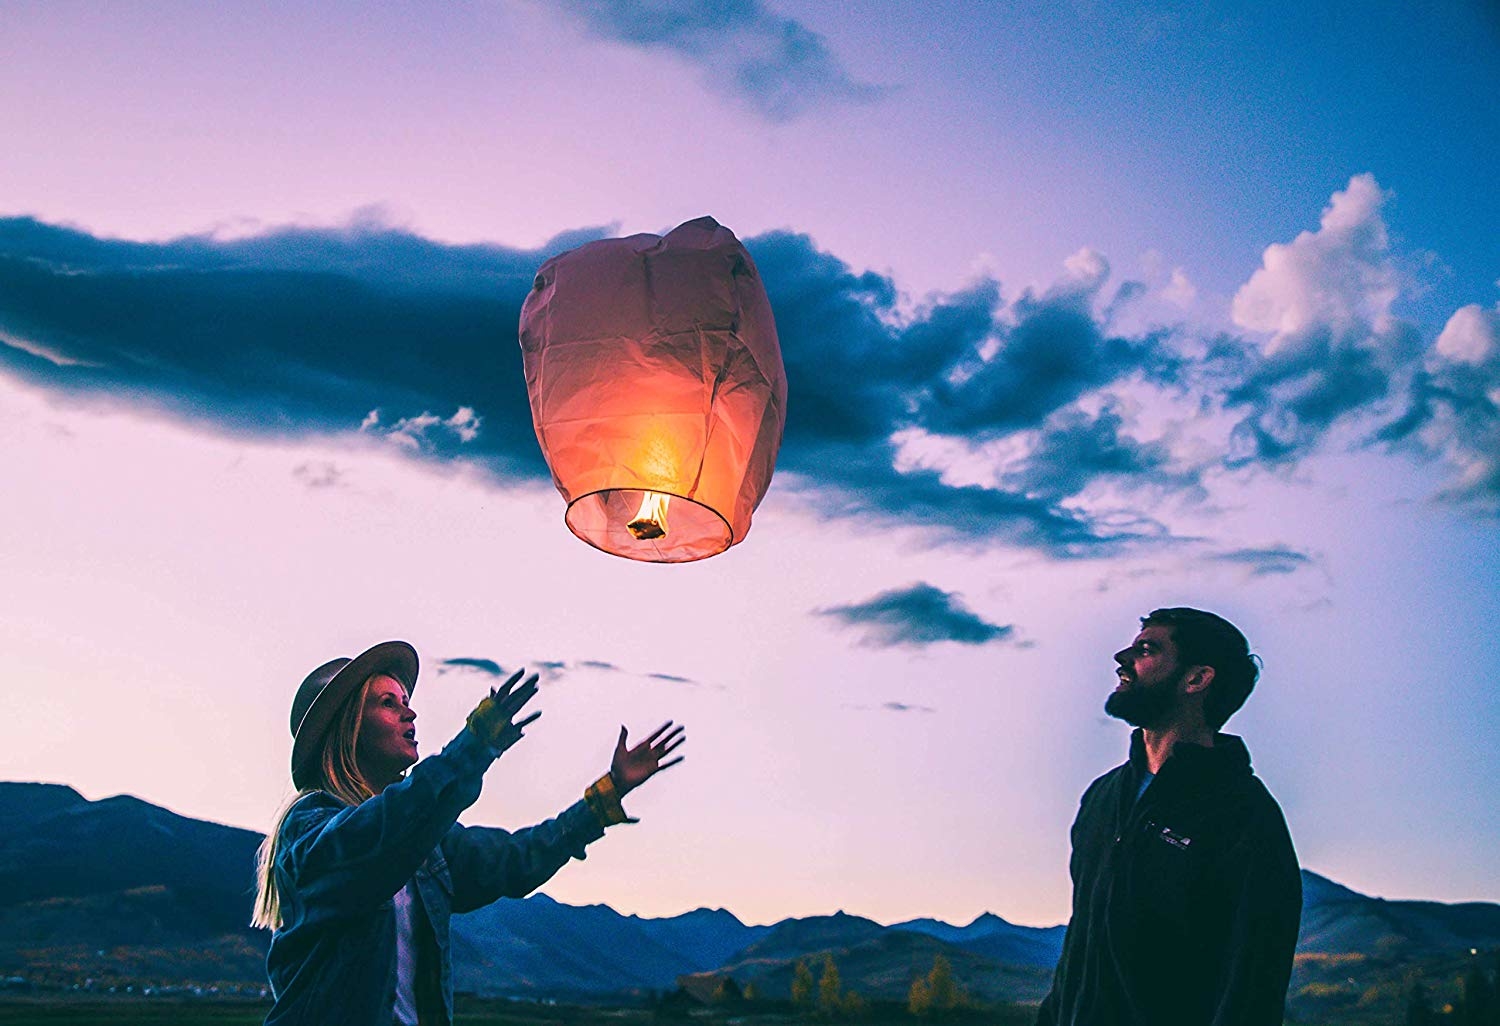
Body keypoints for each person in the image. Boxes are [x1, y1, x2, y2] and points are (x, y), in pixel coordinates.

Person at [251, 640, 684, 1025]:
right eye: (388, 702)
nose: (411, 710)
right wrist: (474, 745)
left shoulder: (425, 845)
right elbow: (376, 837)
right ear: (348, 728)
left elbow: (514, 859)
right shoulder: (308, 829)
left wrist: (607, 794)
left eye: (405, 699)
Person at [1035, 608, 1301, 1026]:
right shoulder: (1102, 799)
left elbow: (1254, 983)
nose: (1122, 658)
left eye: (1147, 649)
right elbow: (1080, 944)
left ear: (1196, 679)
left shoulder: (1245, 814)